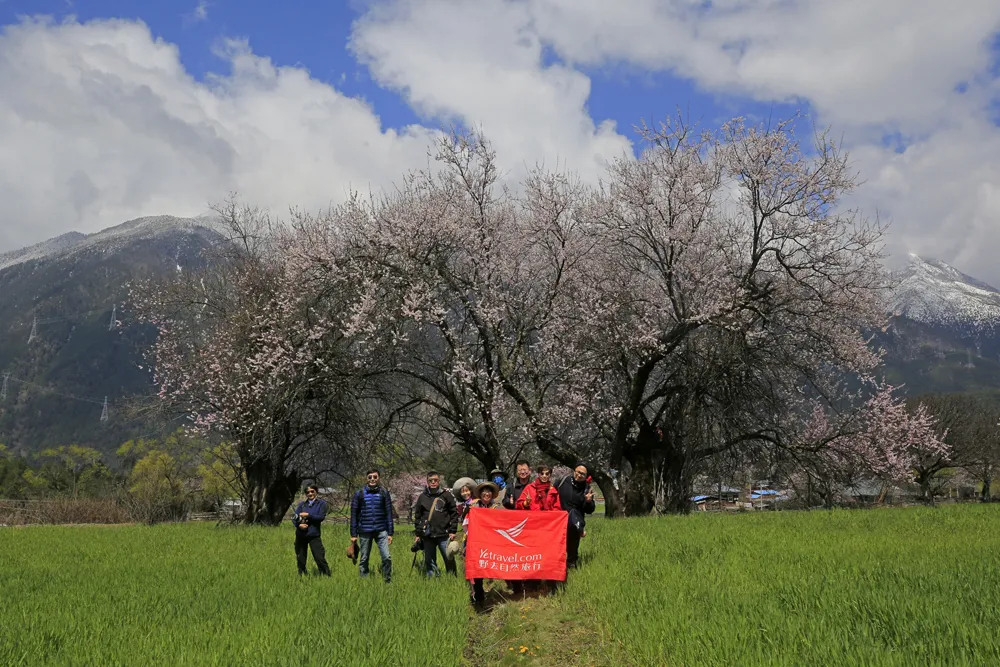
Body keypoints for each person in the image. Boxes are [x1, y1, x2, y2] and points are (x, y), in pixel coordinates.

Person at [350, 468, 394, 583]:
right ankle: (364, 581)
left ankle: (387, 581)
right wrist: (353, 534)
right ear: (366, 479)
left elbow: (389, 513)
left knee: (386, 557)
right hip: (364, 530)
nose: (372, 479)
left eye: (375, 477)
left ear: (379, 478)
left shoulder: (384, 493)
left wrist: (390, 533)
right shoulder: (359, 493)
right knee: (364, 558)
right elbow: (354, 515)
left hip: (381, 530)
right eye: (370, 477)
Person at [412, 470, 459, 577]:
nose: (433, 482)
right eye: (430, 480)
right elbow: (418, 516)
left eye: (435, 480)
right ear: (427, 482)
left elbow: (454, 513)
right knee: (430, 560)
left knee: (448, 558)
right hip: (428, 535)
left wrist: (453, 530)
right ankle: (433, 579)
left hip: (444, 533)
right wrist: (418, 533)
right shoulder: (422, 497)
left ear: (439, 481)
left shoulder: (446, 495)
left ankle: (452, 578)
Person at [556, 463, 597, 569]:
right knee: (558, 545)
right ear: (574, 471)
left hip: (575, 521)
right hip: (559, 519)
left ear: (586, 476)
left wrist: (588, 501)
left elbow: (590, 510)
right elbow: (551, 494)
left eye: (583, 474)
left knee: (572, 546)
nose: (579, 475)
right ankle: (556, 566)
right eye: (578, 472)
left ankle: (571, 564)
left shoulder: (587, 489)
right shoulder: (563, 481)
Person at [467, 481, 501, 607]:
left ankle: (514, 590)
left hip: (493, 543)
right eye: (484, 491)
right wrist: (468, 511)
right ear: (480, 494)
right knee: (477, 570)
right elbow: (464, 521)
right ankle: (479, 597)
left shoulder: (497, 506)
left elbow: (506, 520)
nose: (487, 494)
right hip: (477, 543)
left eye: (489, 492)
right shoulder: (473, 506)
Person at [292, 485, 331, 576]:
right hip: (301, 534)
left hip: (314, 534)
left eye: (312, 491)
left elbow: (321, 517)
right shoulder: (302, 505)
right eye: (308, 492)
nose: (310, 494)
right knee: (300, 557)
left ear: (316, 492)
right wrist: (299, 525)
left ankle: (326, 575)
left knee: (319, 557)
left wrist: (309, 515)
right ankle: (302, 575)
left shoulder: (321, 504)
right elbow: (295, 517)